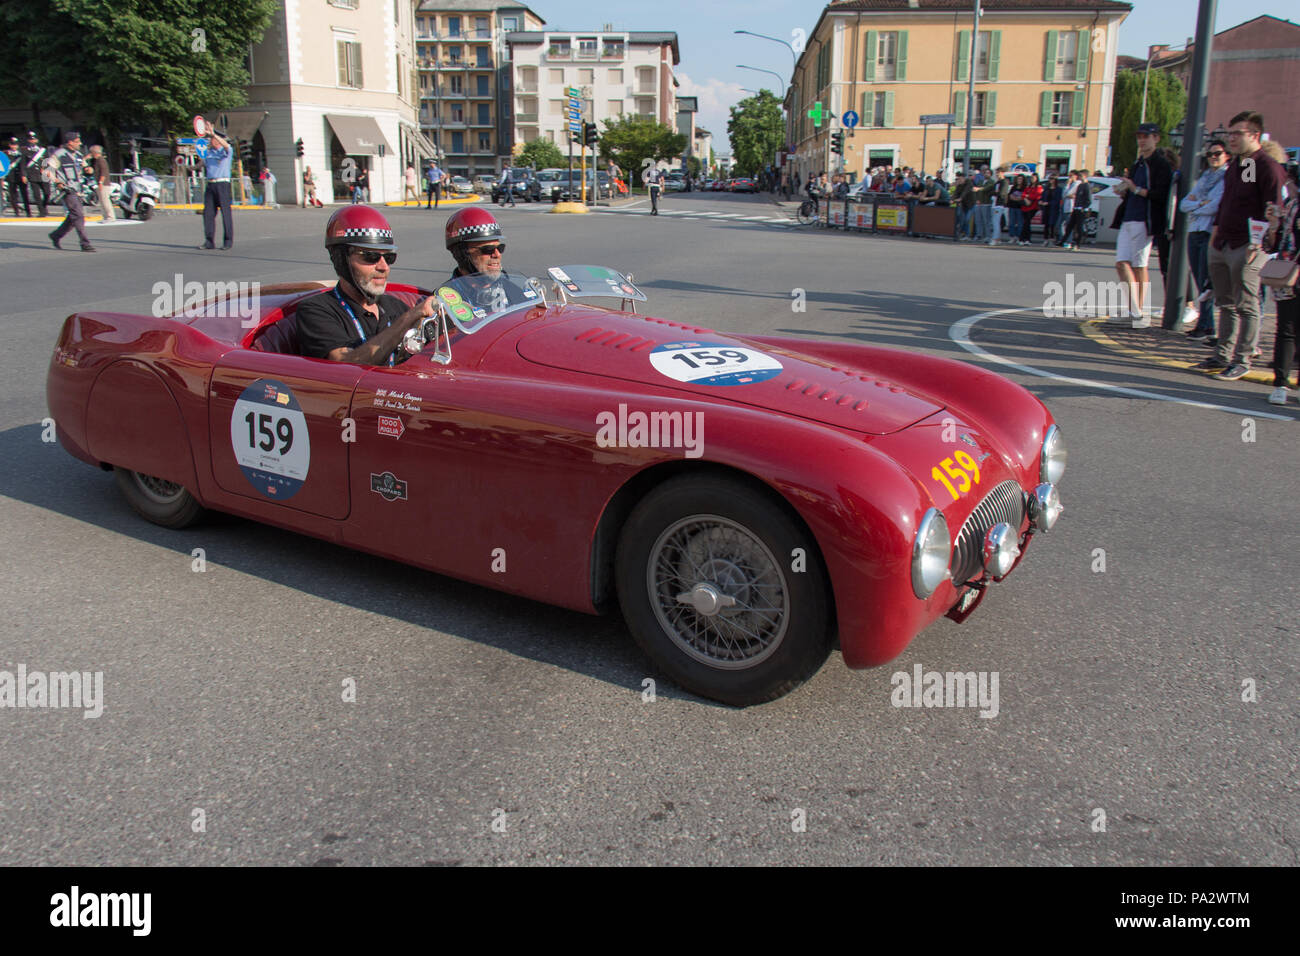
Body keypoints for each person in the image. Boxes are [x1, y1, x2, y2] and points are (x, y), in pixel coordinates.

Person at [1195, 110, 1287, 380]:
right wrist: (1216, 230)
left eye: (1237, 134)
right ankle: (1222, 355)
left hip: (1247, 245)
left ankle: (1243, 358)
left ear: (1255, 135)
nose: (1230, 139)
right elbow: (1231, 201)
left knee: (1246, 303)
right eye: (1230, 134)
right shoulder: (1241, 165)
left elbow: (1272, 209)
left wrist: (1257, 244)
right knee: (1225, 302)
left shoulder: (1267, 166)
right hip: (1223, 240)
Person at [296, 205, 434, 365]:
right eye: (370, 256)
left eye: (389, 258)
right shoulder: (317, 310)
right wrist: (409, 318)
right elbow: (346, 364)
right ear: (341, 259)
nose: (384, 267)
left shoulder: (395, 307)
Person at [1110, 123, 1173, 326]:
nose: (1142, 140)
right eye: (1139, 136)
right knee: (1121, 263)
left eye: (1146, 136)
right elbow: (1134, 188)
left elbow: (1161, 194)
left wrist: (1135, 189)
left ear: (1156, 138)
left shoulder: (1161, 164)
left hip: (1144, 219)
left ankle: (1138, 310)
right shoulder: (1138, 163)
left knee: (1139, 265)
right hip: (1129, 216)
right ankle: (1133, 308)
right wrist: (1125, 190)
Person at [1180, 140, 1228, 343]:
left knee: (1208, 282)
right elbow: (1184, 204)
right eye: (1209, 154)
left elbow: (1215, 206)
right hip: (1195, 230)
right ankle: (1205, 324)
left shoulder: (1228, 177)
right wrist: (1200, 203)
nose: (1213, 157)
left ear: (1226, 155)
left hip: (1210, 232)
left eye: (1217, 153)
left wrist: (1196, 206)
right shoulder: (1205, 177)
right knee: (1200, 280)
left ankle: (1209, 326)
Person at [1263, 179, 1299, 404]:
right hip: (1288, 274)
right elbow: (1274, 245)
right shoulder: (1290, 206)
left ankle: (1282, 383)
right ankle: (1281, 383)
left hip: (1290, 271)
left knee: (1289, 330)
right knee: (1286, 329)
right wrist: (1274, 224)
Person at [46, 131, 94, 252]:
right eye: (77, 141)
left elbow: (85, 167)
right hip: (67, 190)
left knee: (74, 217)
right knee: (78, 215)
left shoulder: (78, 154)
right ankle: (85, 243)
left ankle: (56, 235)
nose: (80, 143)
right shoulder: (59, 155)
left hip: (78, 189)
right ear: (70, 142)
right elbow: (47, 171)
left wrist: (89, 169)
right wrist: (57, 182)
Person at [199, 121, 234, 249]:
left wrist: (214, 134)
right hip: (211, 185)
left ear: (217, 141)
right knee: (207, 213)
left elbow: (227, 146)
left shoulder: (226, 152)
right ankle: (209, 241)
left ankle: (228, 241)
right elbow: (202, 164)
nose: (210, 141)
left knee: (226, 214)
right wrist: (190, 167)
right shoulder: (209, 153)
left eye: (212, 139)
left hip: (222, 185)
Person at [21, 131, 49, 217]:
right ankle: (41, 212)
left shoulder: (42, 150)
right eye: (31, 139)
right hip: (32, 174)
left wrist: (45, 168)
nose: (32, 141)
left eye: (34, 139)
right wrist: (24, 175)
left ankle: (44, 207)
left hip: (43, 174)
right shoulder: (25, 151)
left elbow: (46, 160)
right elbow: (23, 164)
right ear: (29, 141)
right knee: (36, 195)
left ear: (36, 140)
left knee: (47, 193)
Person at [85, 145, 114, 221]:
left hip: (103, 184)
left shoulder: (101, 160)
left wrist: (101, 182)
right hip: (100, 183)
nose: (90, 154)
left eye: (91, 152)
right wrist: (85, 160)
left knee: (105, 201)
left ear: (95, 152)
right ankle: (106, 217)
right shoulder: (96, 161)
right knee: (102, 201)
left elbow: (103, 172)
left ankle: (110, 216)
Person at [5, 136, 29, 217]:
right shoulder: (6, 154)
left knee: (24, 194)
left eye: (15, 145)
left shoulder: (22, 154)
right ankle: (16, 212)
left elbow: (24, 165)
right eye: (12, 145)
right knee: (13, 195)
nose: (14, 146)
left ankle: (28, 212)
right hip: (11, 177)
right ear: (9, 145)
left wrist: (24, 175)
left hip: (21, 177)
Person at [1042, 174, 1062, 246]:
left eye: (1053, 179)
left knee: (1052, 225)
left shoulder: (1058, 189)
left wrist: (1048, 203)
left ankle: (1052, 239)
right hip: (1046, 209)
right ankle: (1045, 239)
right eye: (1050, 179)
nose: (1051, 180)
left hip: (1053, 209)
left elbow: (1057, 200)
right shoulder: (1046, 188)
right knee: (1046, 225)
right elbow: (1042, 196)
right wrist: (1041, 201)